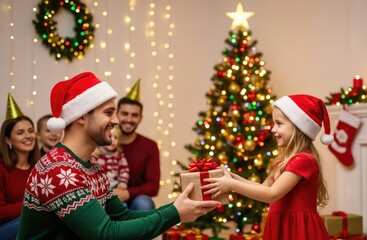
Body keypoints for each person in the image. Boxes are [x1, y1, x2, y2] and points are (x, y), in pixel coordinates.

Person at [18, 72, 219, 239]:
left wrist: (179, 208)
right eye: (108, 113)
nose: (116, 120)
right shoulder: (60, 170)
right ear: (81, 116)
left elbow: (122, 216)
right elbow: (105, 235)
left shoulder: (90, 165)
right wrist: (174, 214)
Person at [203, 94, 334, 240]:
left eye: (279, 124)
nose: (273, 129)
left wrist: (232, 185)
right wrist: (235, 179)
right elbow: (263, 188)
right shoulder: (283, 161)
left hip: (297, 229)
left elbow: (272, 194)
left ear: (298, 127)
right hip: (282, 225)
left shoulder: (304, 160)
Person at [114, 80, 160, 211]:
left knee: (144, 203)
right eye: (124, 114)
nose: (129, 119)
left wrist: (127, 193)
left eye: (134, 115)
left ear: (141, 118)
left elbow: (153, 186)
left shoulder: (150, 146)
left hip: (137, 199)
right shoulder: (103, 143)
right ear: (116, 114)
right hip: (109, 197)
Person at [0, 93, 40, 240]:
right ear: (8, 140)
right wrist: (33, 204)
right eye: (20, 132)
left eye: (30, 131)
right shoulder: (1, 168)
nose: (28, 136)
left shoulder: (40, 167)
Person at [93, 125, 130, 189]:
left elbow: (124, 170)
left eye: (116, 138)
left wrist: (123, 182)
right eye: (110, 136)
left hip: (115, 186)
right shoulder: (95, 154)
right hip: (98, 186)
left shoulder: (119, 156)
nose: (112, 140)